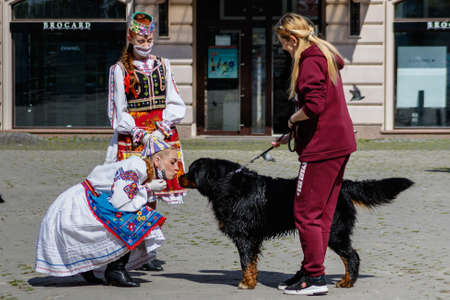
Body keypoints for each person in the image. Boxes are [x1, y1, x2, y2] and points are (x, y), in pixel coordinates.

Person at [273, 13, 357, 296]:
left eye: (284, 43)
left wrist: (292, 120)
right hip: (338, 143)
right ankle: (311, 268)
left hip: (322, 148)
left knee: (306, 213)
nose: (283, 48)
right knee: (321, 213)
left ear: (293, 39)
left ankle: (315, 278)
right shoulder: (325, 53)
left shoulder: (309, 59)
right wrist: (293, 133)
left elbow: (315, 106)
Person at [35, 137, 179, 287]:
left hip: (92, 201)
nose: (176, 168)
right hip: (78, 207)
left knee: (139, 216)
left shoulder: (142, 169)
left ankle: (98, 267)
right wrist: (148, 188)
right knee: (141, 218)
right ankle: (115, 270)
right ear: (157, 160)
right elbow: (121, 201)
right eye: (172, 162)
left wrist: (147, 188)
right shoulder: (137, 166)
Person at [105, 11, 186, 271]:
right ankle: (133, 250)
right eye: (140, 36)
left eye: (148, 36)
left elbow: (174, 101)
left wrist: (163, 128)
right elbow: (117, 112)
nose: (145, 41)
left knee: (155, 192)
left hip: (162, 136)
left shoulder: (164, 64)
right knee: (135, 194)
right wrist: (139, 132)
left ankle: (146, 252)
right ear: (130, 37)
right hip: (134, 138)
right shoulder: (119, 70)